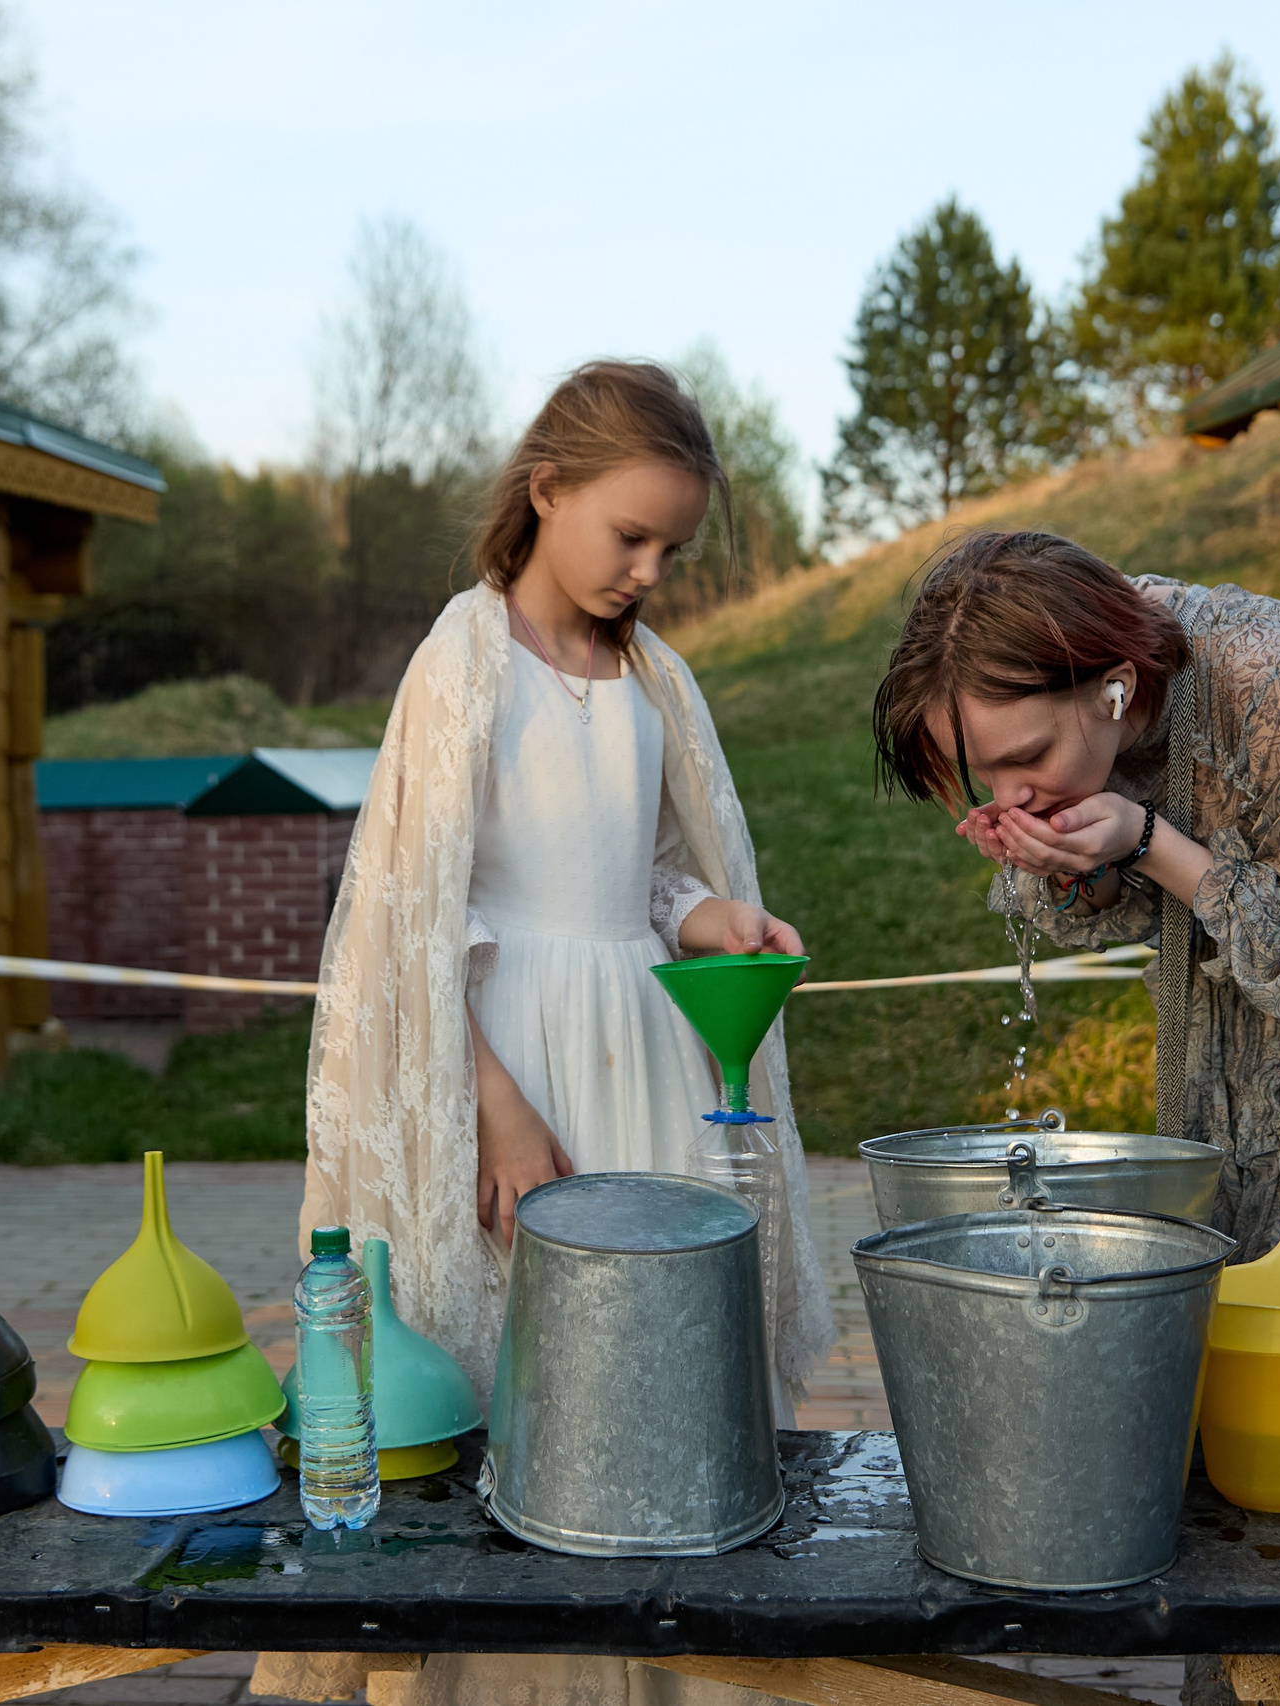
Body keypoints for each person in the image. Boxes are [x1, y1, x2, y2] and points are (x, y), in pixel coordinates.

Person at [257, 361, 836, 1706]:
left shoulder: (656, 679)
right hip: (506, 1057)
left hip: (647, 1059)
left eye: (671, 550)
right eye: (630, 535)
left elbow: (651, 872)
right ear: (547, 490)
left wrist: (706, 918)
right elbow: (414, 913)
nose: (648, 571)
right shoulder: (463, 660)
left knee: (663, 1365)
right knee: (530, 1374)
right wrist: (496, 1107)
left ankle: (677, 1664)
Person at [872, 530, 1280, 1706]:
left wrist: (1145, 839)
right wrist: (1066, 861)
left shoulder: (1278, 678)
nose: (1011, 794)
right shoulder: (1083, 708)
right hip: (1229, 1030)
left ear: (1114, 683)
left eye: (1025, 760)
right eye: (984, 781)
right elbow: (1117, 909)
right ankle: (1253, 1683)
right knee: (1226, 1379)